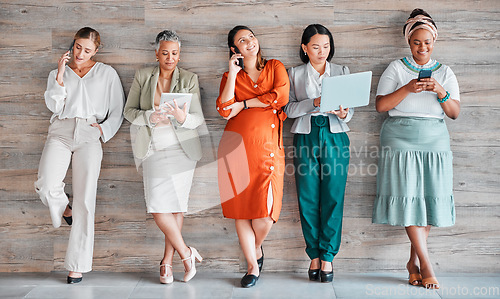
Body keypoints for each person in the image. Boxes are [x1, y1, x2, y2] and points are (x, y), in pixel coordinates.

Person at [372, 8, 460, 289]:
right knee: (408, 196)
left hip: (434, 138)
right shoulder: (396, 68)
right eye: (416, 42)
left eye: (427, 42)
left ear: (434, 41)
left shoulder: (445, 72)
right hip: (399, 138)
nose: (422, 47)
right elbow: (381, 106)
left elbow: (454, 113)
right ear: (408, 43)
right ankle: (427, 265)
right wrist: (408, 88)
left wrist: (440, 91)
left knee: (428, 199)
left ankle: (413, 264)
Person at [35, 27, 125, 283]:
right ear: (72, 45)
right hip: (61, 130)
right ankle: (66, 211)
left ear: (96, 50)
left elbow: (117, 109)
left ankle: (77, 265)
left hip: (89, 133)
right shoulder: (57, 72)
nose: (80, 54)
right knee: (45, 185)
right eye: (77, 47)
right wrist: (61, 74)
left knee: (86, 200)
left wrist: (102, 130)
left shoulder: (107, 73)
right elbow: (53, 105)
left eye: (87, 50)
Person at [124, 30, 204, 284]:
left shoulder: (190, 78)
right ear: (156, 53)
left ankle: (167, 263)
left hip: (182, 150)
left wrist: (182, 118)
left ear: (180, 55)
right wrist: (150, 116)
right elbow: (129, 111)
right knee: (158, 205)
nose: (170, 58)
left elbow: (198, 118)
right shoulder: (143, 76)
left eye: (175, 53)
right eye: (165, 53)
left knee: (177, 205)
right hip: (153, 147)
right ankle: (186, 253)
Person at [216, 25, 289, 288]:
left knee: (265, 214)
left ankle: (255, 248)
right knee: (241, 212)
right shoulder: (230, 76)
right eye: (242, 41)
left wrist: (245, 104)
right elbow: (224, 110)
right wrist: (234, 74)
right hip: (235, 149)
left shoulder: (275, 66)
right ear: (234, 50)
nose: (249, 42)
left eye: (251, 37)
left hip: (268, 148)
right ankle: (251, 266)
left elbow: (279, 98)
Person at [284, 24, 352, 283]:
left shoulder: (342, 71)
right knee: (307, 197)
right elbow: (289, 110)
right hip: (305, 135)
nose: (322, 51)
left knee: (334, 196)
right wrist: (313, 103)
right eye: (315, 47)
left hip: (335, 136)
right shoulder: (295, 74)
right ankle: (313, 254)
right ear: (304, 48)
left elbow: (351, 110)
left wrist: (344, 112)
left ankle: (328, 257)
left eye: (326, 46)